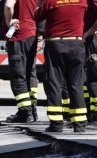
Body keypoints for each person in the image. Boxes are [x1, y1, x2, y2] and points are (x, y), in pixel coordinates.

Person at [36, 0, 88, 132]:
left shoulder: (50, 1)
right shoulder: (82, 1)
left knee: (55, 83)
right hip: (76, 44)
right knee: (76, 84)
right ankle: (80, 124)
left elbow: (37, 16)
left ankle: (56, 123)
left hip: (56, 44)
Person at [2, 0, 39, 122]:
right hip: (32, 34)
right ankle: (32, 109)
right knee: (30, 74)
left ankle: (25, 112)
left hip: (19, 36)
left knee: (18, 75)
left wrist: (8, 22)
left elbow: (8, 5)